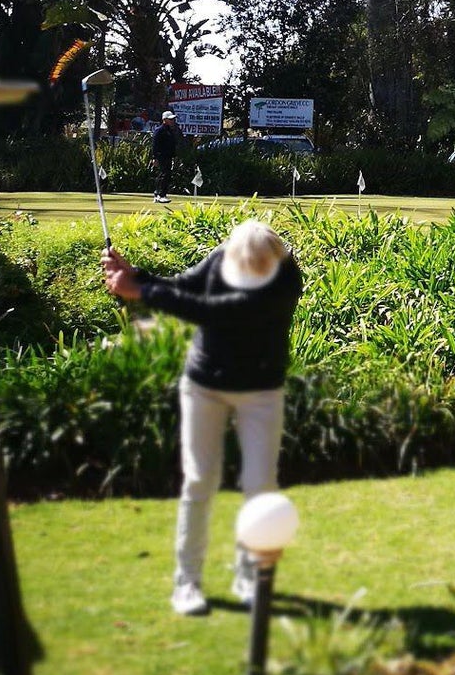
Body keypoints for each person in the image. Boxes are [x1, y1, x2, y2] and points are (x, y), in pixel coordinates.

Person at [102, 220, 304, 616]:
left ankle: (250, 579)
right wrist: (136, 274)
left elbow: (214, 312)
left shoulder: (283, 282)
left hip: (260, 391)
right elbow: (187, 286)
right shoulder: (223, 257)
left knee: (259, 486)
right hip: (205, 386)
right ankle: (187, 584)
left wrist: (141, 292)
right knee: (199, 481)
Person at [150, 109, 181, 203]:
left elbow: (172, 144)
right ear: (164, 120)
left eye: (173, 119)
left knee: (166, 175)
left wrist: (174, 156)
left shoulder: (171, 131)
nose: (172, 121)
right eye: (170, 119)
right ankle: (160, 195)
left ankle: (160, 194)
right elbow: (154, 145)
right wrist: (154, 158)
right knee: (164, 174)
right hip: (161, 156)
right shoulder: (159, 130)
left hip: (168, 156)